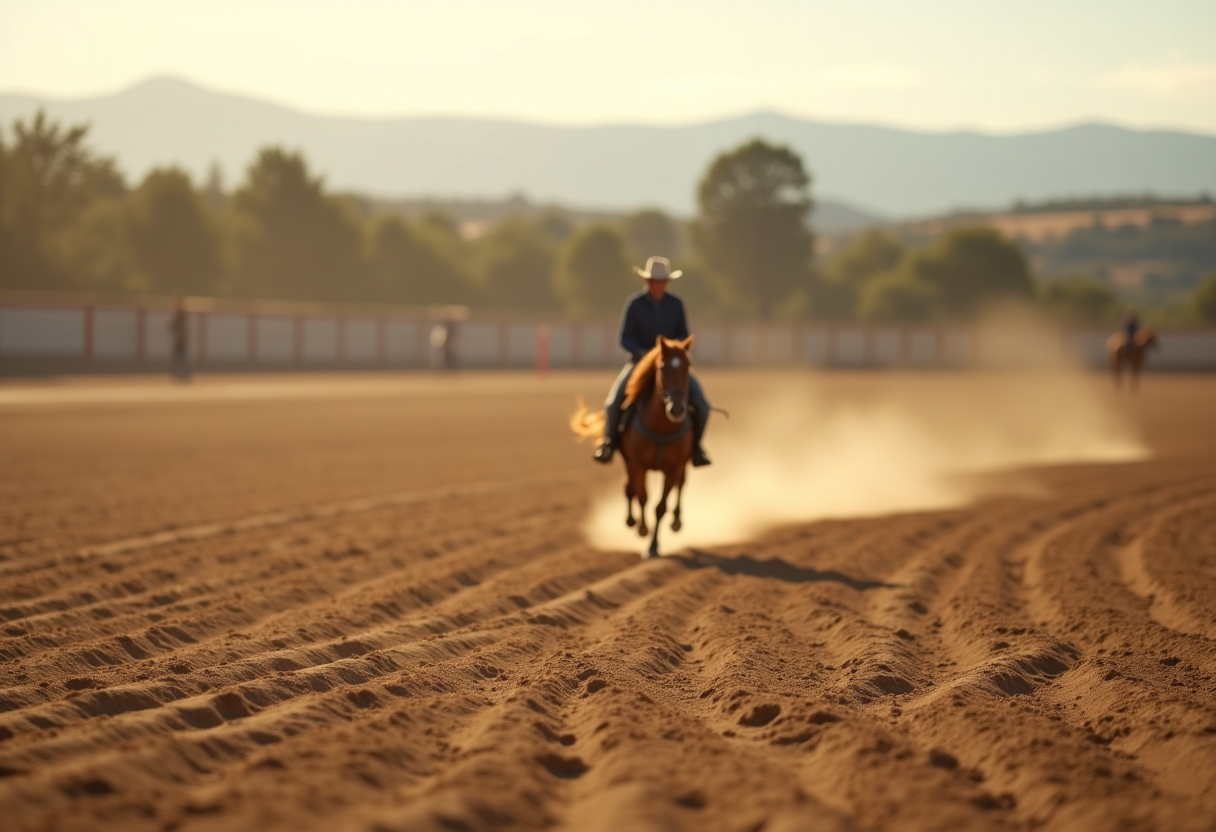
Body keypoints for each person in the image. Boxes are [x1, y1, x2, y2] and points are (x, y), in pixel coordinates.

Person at [593, 256, 712, 466]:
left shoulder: (676, 304)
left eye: (662, 281)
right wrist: (643, 354)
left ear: (666, 283)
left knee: (702, 405)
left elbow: (683, 334)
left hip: (671, 365)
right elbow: (625, 337)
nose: (658, 285)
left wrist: (673, 352)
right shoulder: (635, 304)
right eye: (655, 281)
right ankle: (608, 444)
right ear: (647, 282)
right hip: (638, 363)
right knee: (612, 403)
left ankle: (696, 449)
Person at [169, 295, 190, 381]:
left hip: (180, 339)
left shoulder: (180, 312)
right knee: (181, 357)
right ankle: (183, 374)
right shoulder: (182, 312)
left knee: (178, 357)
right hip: (182, 338)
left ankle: (179, 374)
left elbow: (174, 325)